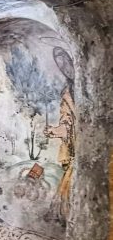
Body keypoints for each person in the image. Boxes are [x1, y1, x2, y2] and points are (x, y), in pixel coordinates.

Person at [45, 46, 76, 224]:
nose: (64, 67)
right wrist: (56, 130)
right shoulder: (66, 93)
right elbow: (67, 121)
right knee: (68, 181)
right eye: (60, 64)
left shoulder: (86, 86)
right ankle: (66, 216)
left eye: (65, 62)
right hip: (75, 145)